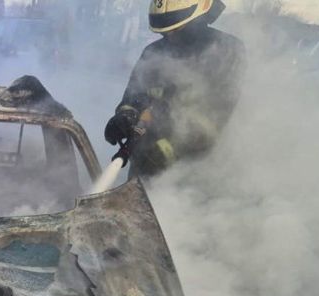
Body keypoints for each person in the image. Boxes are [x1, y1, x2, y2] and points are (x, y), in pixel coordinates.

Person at [105, 0, 245, 179]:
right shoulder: (153, 51)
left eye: (178, 29)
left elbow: (217, 114)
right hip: (147, 160)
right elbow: (135, 95)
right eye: (165, 31)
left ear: (200, 17)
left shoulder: (228, 50)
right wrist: (124, 116)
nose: (170, 35)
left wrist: (172, 148)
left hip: (200, 172)